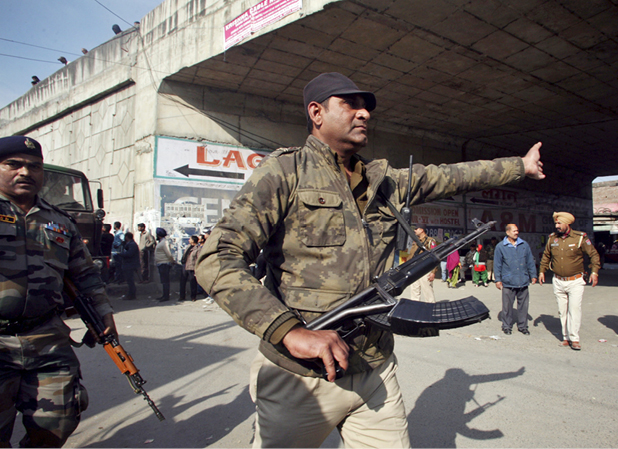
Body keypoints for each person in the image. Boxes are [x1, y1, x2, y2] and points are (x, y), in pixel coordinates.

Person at [196, 72, 545, 448]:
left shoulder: (385, 183)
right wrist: (289, 331)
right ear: (316, 113)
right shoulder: (284, 173)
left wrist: (519, 166)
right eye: (350, 104)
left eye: (367, 108)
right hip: (300, 378)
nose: (364, 114)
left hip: (375, 370)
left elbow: (452, 176)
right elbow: (218, 257)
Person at [0, 136, 117, 447]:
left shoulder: (60, 221)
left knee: (58, 421)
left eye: (34, 166)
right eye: (13, 164)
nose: (25, 172)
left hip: (46, 337)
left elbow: (85, 275)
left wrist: (103, 312)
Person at [539, 212, 600, 351]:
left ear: (568, 224)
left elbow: (593, 255)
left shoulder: (580, 238)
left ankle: (575, 338)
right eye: (556, 223)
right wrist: (542, 271)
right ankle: (565, 337)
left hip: (575, 281)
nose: (557, 226)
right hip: (558, 281)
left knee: (574, 309)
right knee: (562, 311)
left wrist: (594, 272)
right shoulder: (552, 238)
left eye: (559, 223)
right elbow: (546, 255)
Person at [493, 224, 537, 335]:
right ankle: (506, 326)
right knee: (507, 306)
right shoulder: (500, 247)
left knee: (523, 306)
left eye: (517, 231)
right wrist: (498, 279)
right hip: (508, 281)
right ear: (507, 232)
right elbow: (497, 264)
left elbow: (530, 261)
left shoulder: (524, 245)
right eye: (514, 231)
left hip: (523, 280)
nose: (516, 233)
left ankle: (523, 326)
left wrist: (533, 275)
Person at [401, 224, 437, 302]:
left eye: (416, 229)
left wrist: (433, 272)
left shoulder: (430, 241)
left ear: (422, 230)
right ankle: (415, 308)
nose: (415, 230)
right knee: (414, 291)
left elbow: (435, 257)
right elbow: (411, 255)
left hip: (425, 269)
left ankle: (430, 308)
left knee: (428, 292)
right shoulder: (416, 241)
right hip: (414, 269)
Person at [154, 227, 175, 302]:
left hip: (164, 263)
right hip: (161, 263)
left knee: (165, 281)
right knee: (163, 281)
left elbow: (168, 253)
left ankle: (166, 296)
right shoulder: (161, 242)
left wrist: (172, 261)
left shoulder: (164, 242)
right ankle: (164, 295)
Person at [120, 231, 140, 300]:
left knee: (130, 281)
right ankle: (130, 294)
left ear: (127, 237)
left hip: (130, 264)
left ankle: (131, 295)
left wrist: (121, 254)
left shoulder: (132, 245)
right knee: (129, 280)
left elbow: (129, 254)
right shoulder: (129, 244)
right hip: (129, 264)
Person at [179, 235, 200, 301]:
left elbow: (198, 258)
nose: (189, 240)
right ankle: (182, 296)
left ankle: (193, 296)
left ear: (193, 240)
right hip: (185, 266)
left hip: (192, 267)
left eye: (190, 239)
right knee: (182, 282)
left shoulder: (198, 248)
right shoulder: (188, 247)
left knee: (192, 282)